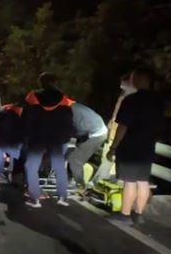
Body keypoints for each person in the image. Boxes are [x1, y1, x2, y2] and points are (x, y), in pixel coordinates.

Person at [107, 67, 165, 224]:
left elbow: (122, 126)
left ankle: (125, 215)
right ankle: (138, 214)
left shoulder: (131, 100)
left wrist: (113, 147)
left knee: (130, 181)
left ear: (138, 80)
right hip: (148, 146)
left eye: (133, 78)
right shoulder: (158, 101)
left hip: (131, 145)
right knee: (143, 180)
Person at [22, 72, 75, 207]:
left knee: (31, 166)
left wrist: (26, 135)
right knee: (58, 166)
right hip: (56, 138)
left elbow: (25, 118)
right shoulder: (64, 99)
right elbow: (68, 121)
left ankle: (35, 198)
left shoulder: (32, 96)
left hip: (37, 137)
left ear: (41, 82)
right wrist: (65, 137)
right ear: (55, 82)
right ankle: (63, 197)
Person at [68, 102, 108, 189]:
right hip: (92, 129)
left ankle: (80, 184)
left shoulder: (72, 112)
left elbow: (80, 130)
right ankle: (76, 180)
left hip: (97, 134)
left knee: (74, 160)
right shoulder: (72, 107)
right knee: (74, 155)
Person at [0, 103, 25, 190]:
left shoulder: (9, 112)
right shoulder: (8, 115)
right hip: (0, 139)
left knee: (18, 154)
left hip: (6, 139)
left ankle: (14, 177)